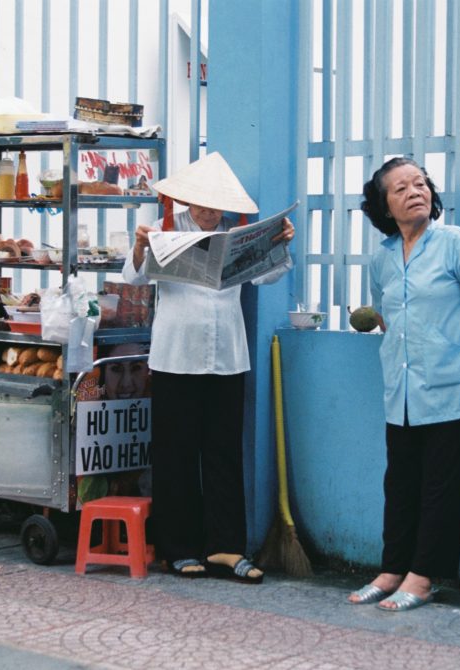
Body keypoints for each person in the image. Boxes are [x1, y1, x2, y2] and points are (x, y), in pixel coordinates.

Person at [348, 157, 460, 611]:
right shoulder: (381, 258)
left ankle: (422, 579)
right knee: (400, 483)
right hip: (402, 391)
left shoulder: (456, 243)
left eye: (420, 184)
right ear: (384, 205)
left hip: (458, 389)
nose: (415, 192)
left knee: (444, 486)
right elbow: (386, 316)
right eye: (401, 189)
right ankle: (392, 569)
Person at [122, 152, 295, 583]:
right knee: (175, 454)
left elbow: (267, 278)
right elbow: (133, 279)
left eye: (215, 205)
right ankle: (177, 548)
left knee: (223, 453)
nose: (206, 211)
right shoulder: (165, 231)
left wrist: (278, 245)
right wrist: (140, 247)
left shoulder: (235, 234)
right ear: (187, 200)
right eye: (200, 203)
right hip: (175, 358)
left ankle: (226, 547)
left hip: (227, 359)